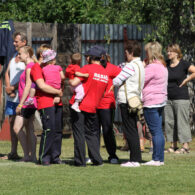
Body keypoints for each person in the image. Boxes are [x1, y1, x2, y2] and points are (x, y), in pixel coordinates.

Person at [69, 45, 109, 167]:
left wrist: (71, 79)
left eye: (87, 56)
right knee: (91, 134)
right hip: (93, 106)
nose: (86, 58)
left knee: (79, 133)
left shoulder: (87, 68)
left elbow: (74, 83)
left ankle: (80, 161)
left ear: (91, 57)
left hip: (80, 106)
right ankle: (97, 160)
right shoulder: (104, 72)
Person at [112, 40, 145, 167]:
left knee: (130, 129)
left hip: (127, 100)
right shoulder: (141, 65)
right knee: (133, 129)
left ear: (131, 52)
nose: (125, 55)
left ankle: (134, 160)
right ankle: (136, 158)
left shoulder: (130, 66)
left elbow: (117, 80)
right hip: (136, 99)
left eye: (126, 52)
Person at [30, 48, 64, 166]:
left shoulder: (55, 68)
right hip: (45, 102)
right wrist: (57, 92)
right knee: (49, 129)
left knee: (58, 130)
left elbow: (61, 81)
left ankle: (55, 156)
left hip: (57, 102)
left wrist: (59, 94)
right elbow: (42, 86)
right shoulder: (37, 68)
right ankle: (44, 157)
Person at [164, 44, 195, 154]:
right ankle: (173, 146)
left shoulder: (183, 64)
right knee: (169, 122)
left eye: (170, 51)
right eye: (167, 51)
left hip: (181, 98)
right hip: (168, 98)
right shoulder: (166, 64)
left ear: (177, 53)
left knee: (182, 122)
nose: (168, 53)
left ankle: (185, 146)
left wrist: (187, 80)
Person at [141, 41, 168, 166]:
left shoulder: (151, 67)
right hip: (160, 101)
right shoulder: (162, 66)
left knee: (155, 131)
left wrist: (142, 66)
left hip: (151, 101)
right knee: (159, 131)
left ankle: (156, 159)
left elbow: (140, 79)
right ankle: (160, 159)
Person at [3, 32, 27, 160]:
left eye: (16, 41)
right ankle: (13, 152)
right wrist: (8, 88)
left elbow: (27, 77)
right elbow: (7, 72)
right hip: (11, 96)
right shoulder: (13, 56)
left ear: (24, 42)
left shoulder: (27, 58)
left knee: (23, 125)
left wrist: (13, 88)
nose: (14, 43)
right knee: (12, 122)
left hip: (21, 97)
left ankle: (28, 153)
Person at [95, 52, 121, 164]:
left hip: (107, 103)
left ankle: (112, 155)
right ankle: (95, 155)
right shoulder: (93, 67)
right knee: (94, 131)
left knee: (107, 130)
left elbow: (123, 77)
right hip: (94, 103)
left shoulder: (112, 68)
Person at [13, 46, 37, 162]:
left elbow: (28, 85)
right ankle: (31, 156)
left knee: (17, 127)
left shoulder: (29, 66)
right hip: (29, 102)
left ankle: (28, 155)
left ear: (27, 54)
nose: (18, 56)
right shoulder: (30, 65)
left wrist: (20, 104)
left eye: (20, 53)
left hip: (27, 103)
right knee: (29, 128)